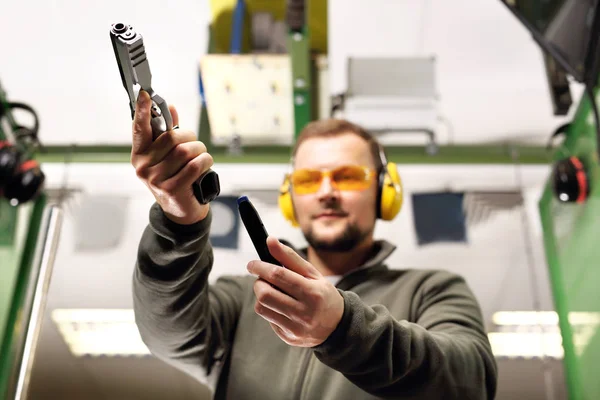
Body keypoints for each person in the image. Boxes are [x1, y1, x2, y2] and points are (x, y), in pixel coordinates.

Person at [131, 90, 498, 400]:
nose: (326, 193)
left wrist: (343, 329)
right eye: (308, 180)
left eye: (347, 176)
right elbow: (168, 336)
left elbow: (471, 382)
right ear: (290, 198)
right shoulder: (245, 297)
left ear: (385, 192)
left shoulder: (431, 290)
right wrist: (178, 223)